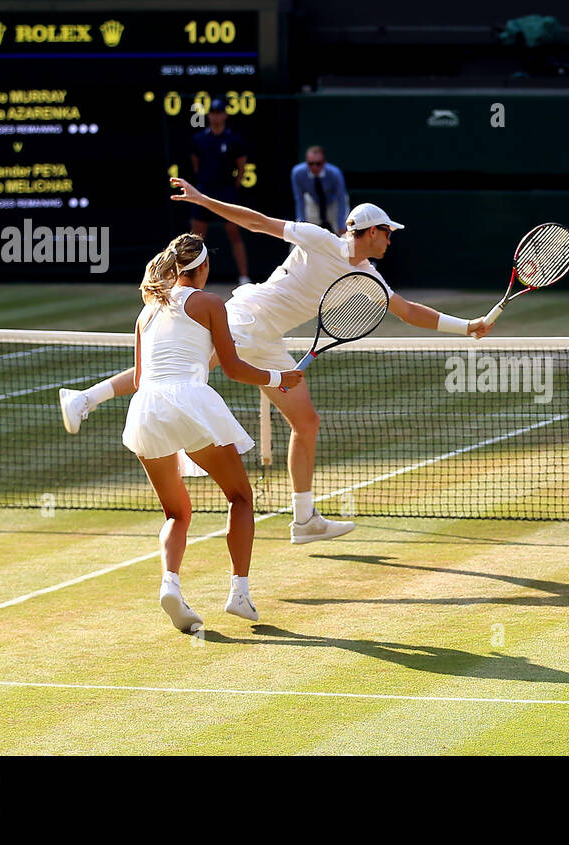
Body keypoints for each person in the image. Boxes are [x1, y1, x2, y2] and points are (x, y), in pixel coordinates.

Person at [60, 182, 492, 545]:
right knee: (177, 373)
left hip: (269, 339)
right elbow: (258, 221)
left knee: (307, 422)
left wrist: (466, 326)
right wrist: (203, 200)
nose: (390, 239)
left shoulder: (371, 277)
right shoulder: (321, 240)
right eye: (386, 232)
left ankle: (304, 519)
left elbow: (408, 311)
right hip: (248, 317)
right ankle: (86, 397)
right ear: (368, 232)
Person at [123, 232, 304, 633]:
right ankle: (239, 592)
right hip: (188, 402)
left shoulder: (146, 311)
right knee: (240, 497)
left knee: (176, 511)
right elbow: (235, 368)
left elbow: (138, 379)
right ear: (202, 268)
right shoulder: (209, 302)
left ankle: (170, 583)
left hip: (146, 410)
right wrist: (279, 377)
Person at [190, 98, 253, 285]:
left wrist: (233, 186)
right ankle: (191, 277)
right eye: (213, 113)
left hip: (226, 191)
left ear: (225, 115)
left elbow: (241, 167)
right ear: (209, 115)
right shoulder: (199, 140)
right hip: (204, 190)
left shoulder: (234, 140)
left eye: (219, 113)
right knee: (196, 237)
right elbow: (196, 165)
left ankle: (243, 276)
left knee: (234, 233)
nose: (216, 116)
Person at [290, 146, 349, 235]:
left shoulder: (335, 174)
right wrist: (301, 223)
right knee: (299, 232)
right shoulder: (297, 173)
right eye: (311, 163)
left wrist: (341, 225)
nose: (314, 167)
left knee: (345, 232)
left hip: (333, 203)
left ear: (324, 162)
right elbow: (299, 199)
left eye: (318, 163)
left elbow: (341, 199)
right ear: (306, 162)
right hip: (313, 203)